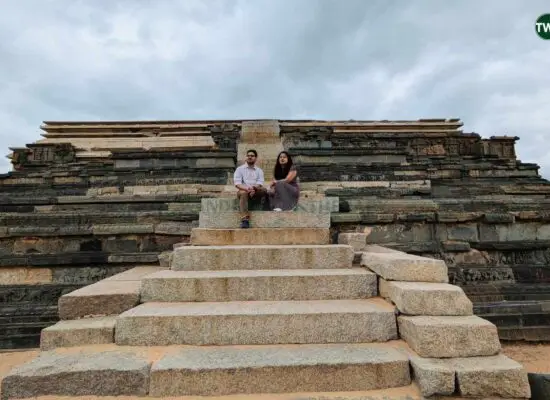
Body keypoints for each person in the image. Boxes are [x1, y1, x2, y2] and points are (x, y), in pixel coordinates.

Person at [233, 149, 268, 228]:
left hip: (255, 191)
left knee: (264, 190)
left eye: (252, 156)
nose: (249, 157)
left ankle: (268, 207)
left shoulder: (259, 170)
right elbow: (237, 183)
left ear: (255, 158)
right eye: (248, 156)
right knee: (243, 193)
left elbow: (260, 183)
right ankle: (245, 219)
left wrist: (254, 188)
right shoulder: (239, 169)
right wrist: (247, 189)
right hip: (243, 190)